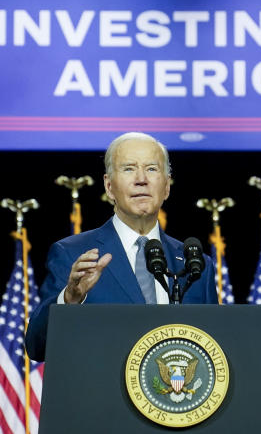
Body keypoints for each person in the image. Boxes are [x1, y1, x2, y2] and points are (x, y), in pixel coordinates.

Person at [25, 132, 218, 361]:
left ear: (166, 187)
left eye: (152, 169)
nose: (141, 179)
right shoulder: (72, 254)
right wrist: (69, 299)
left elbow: (212, 349)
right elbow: (37, 347)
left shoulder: (195, 264)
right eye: (128, 168)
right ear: (109, 186)